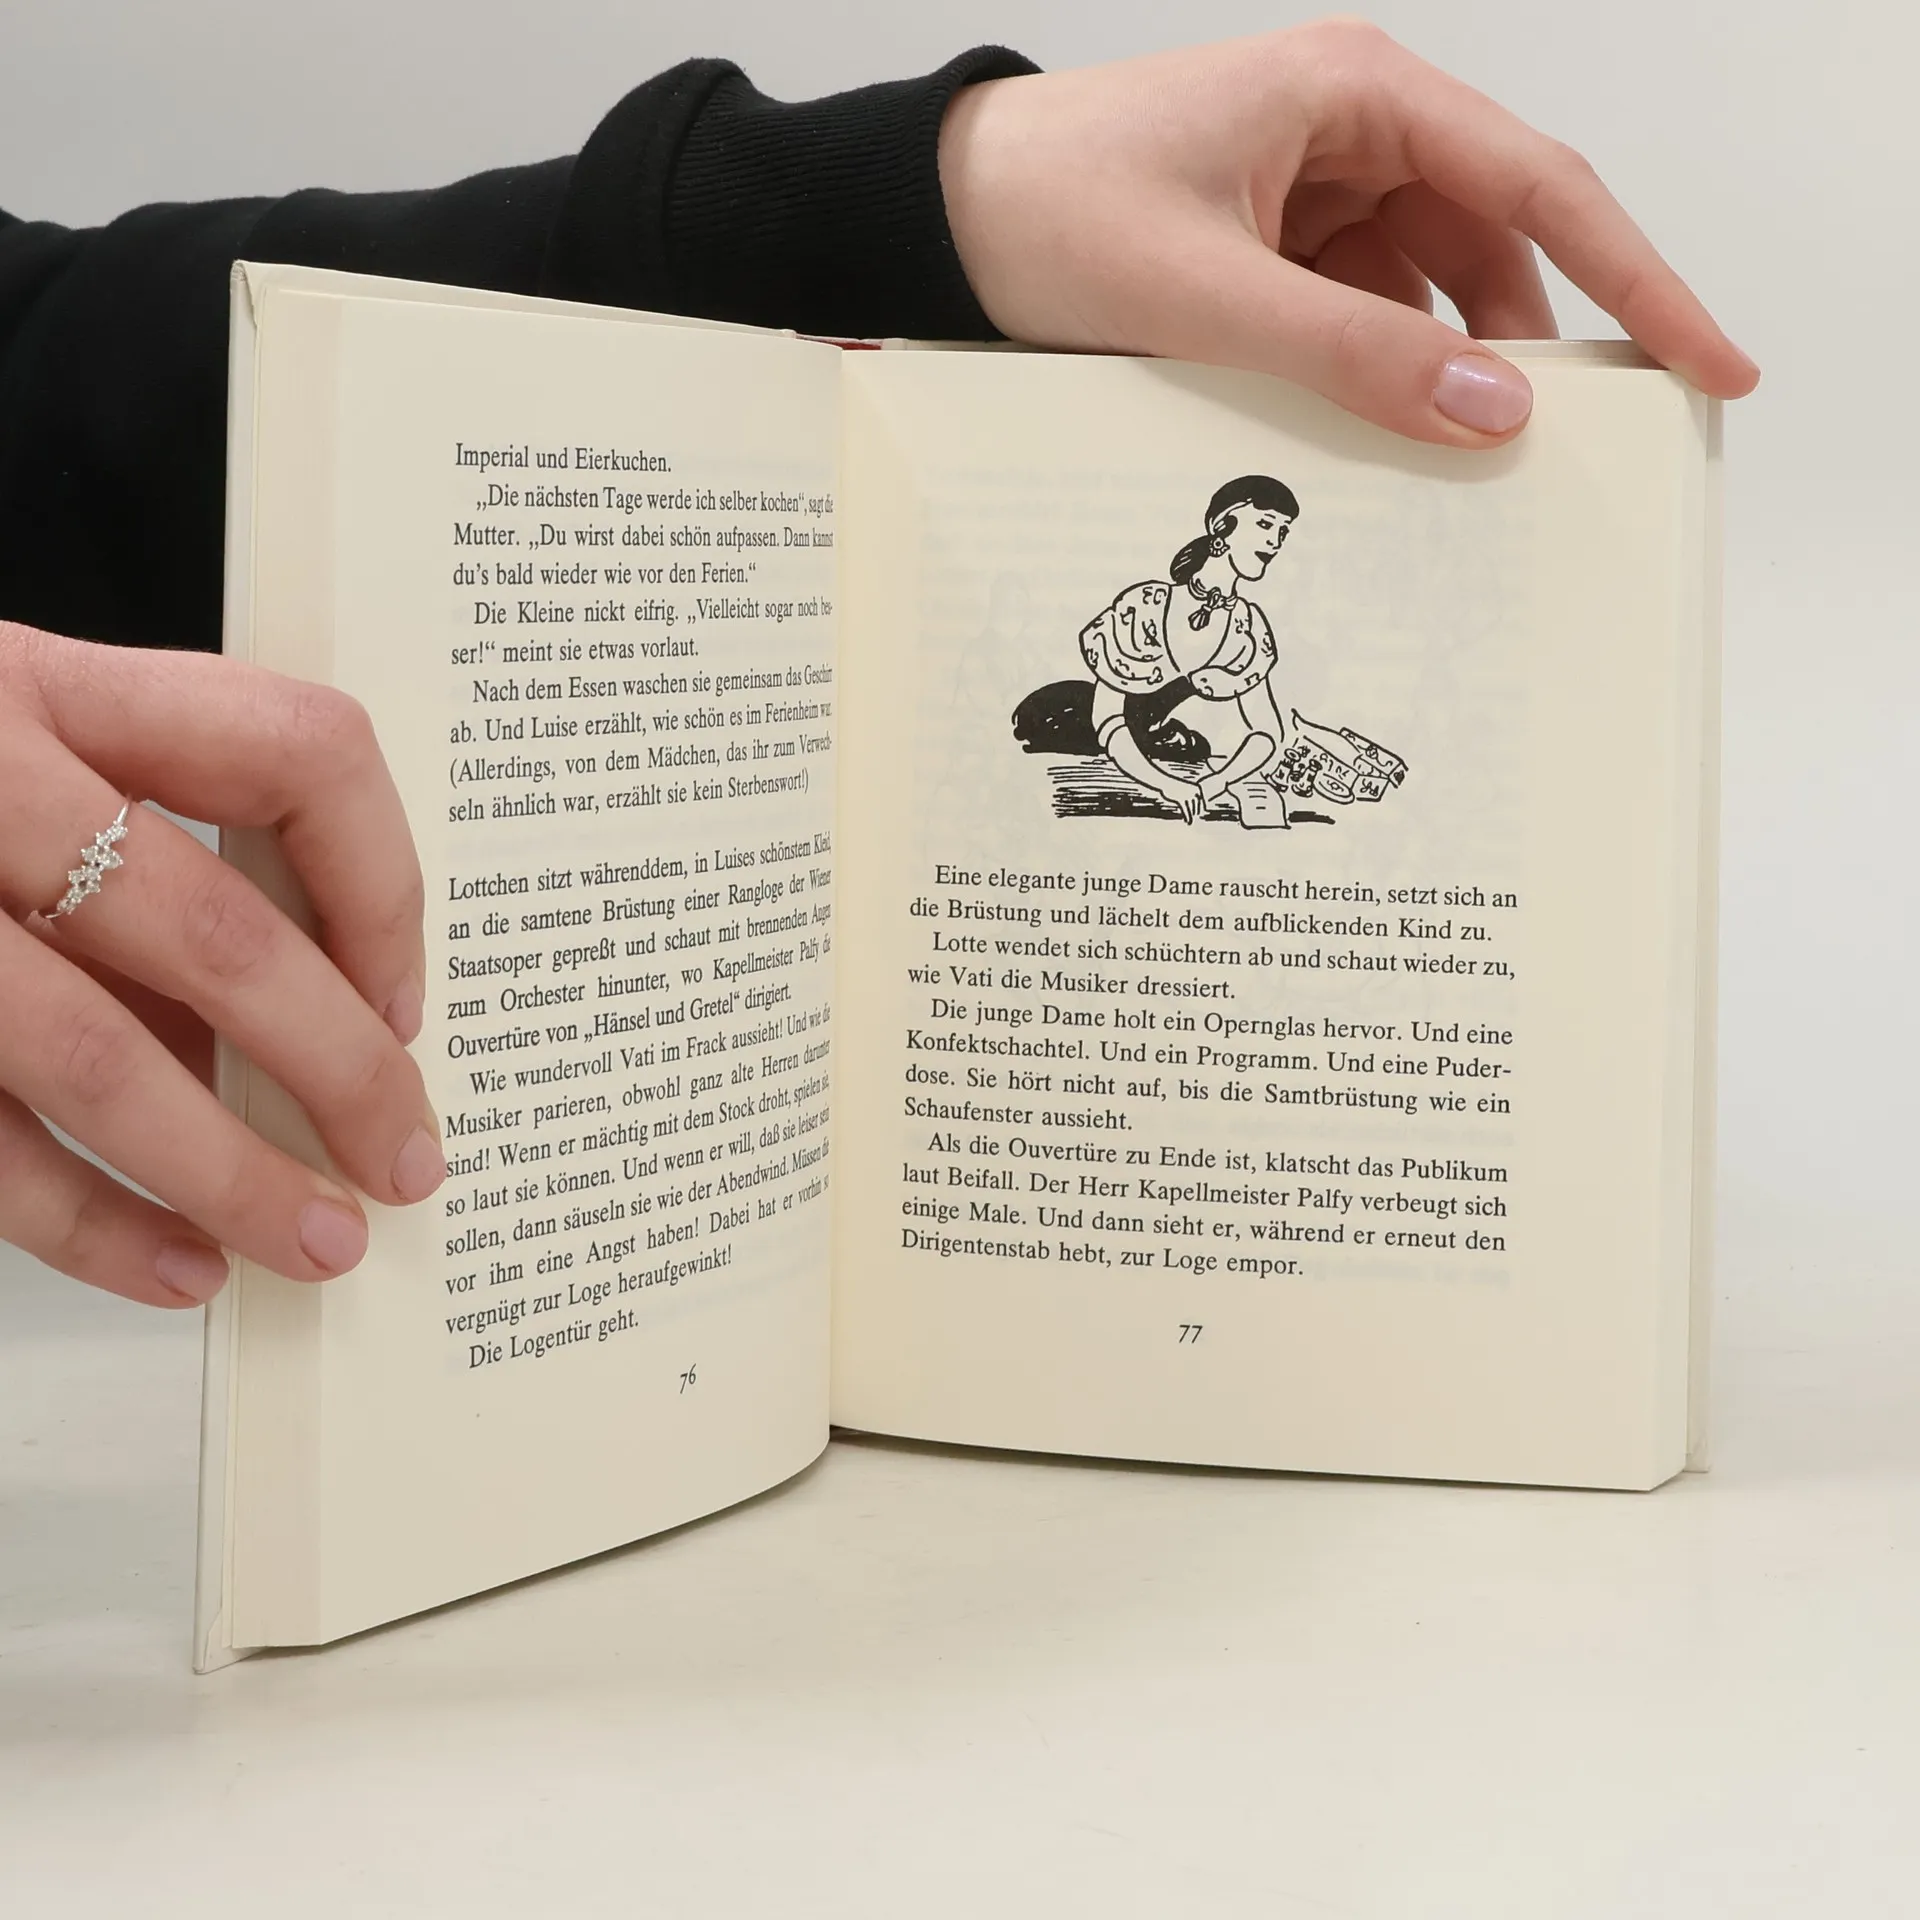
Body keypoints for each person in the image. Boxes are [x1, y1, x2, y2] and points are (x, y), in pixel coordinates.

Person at [0, 23, 1758, 1310]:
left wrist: (904, 199)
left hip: (1193, 745)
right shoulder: (1165, 608)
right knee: (1168, 749)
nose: (1250, 559)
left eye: (1261, 548)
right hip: (1127, 725)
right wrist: (1170, 734)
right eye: (1242, 539)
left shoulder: (1248, 618)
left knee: (1297, 760)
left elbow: (41, 356)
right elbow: (1123, 673)